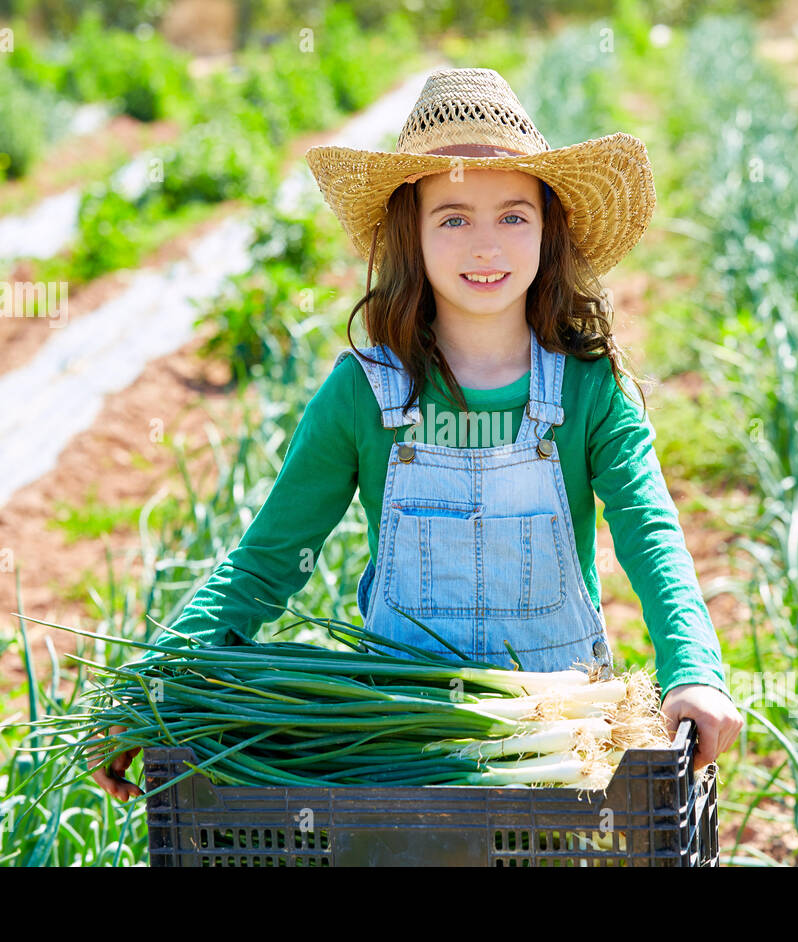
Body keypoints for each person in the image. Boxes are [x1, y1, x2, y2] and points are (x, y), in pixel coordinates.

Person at [94, 67, 743, 801]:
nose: (486, 246)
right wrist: (148, 689)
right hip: (405, 760)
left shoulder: (588, 390)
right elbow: (266, 563)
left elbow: (649, 533)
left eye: (513, 215)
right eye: (454, 217)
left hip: (566, 746)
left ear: (548, 228)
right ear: (414, 233)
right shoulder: (363, 396)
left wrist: (693, 670)